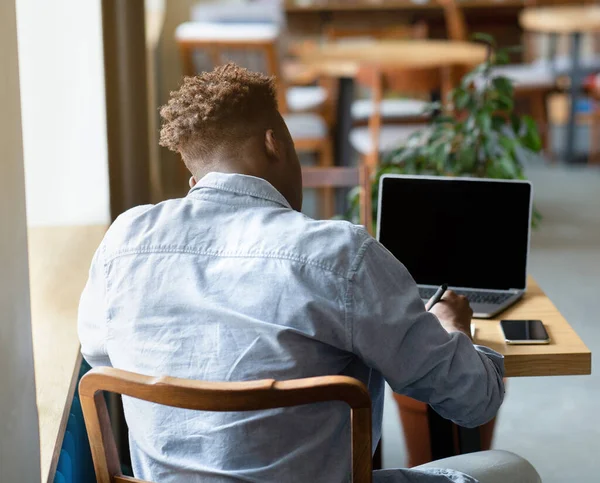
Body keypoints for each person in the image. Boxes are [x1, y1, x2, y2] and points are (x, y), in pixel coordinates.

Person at [78, 64, 540, 483]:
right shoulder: (339, 255)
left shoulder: (124, 240)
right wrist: (454, 328)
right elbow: (472, 400)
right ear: (274, 142)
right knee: (513, 471)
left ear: (194, 179)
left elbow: (103, 359)